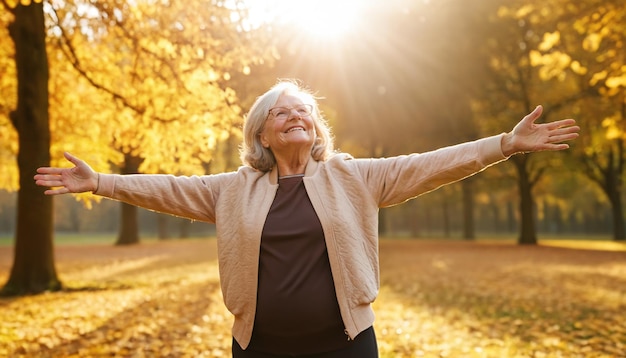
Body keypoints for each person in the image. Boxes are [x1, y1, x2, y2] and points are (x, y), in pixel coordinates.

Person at [34, 80, 579, 357]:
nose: (297, 115)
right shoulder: (234, 189)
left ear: (316, 129)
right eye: (282, 111)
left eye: (306, 111)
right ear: (262, 133)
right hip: (259, 347)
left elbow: (431, 165)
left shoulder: (353, 177)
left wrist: (505, 144)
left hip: (345, 344)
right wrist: (100, 182)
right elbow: (170, 189)